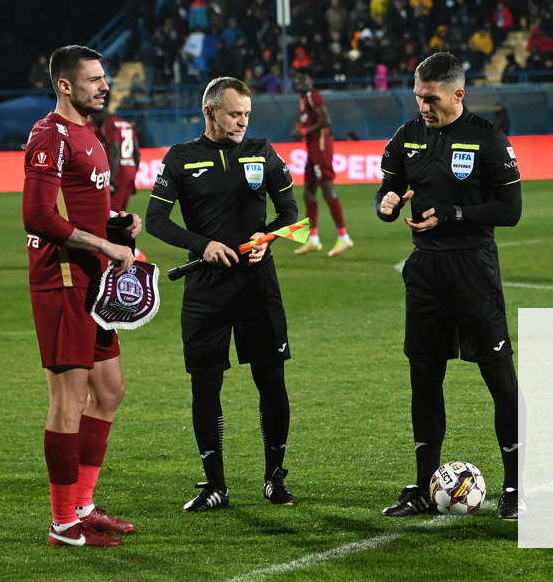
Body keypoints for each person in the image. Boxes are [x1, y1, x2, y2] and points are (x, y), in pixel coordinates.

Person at [375, 52, 523, 520]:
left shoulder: (487, 137)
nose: (423, 106)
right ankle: (422, 484)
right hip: (426, 271)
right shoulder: (407, 136)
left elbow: (510, 209)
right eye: (418, 97)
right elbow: (385, 189)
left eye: (432, 98)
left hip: (473, 269)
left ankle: (516, 485)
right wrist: (387, 203)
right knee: (424, 378)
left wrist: (455, 215)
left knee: (498, 377)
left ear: (459, 94)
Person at [145, 77, 300, 512]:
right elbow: (155, 219)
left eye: (247, 114)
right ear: (210, 112)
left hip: (257, 285)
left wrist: (266, 236)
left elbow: (290, 213)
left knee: (271, 381)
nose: (242, 122)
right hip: (206, 289)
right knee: (206, 385)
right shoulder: (181, 158)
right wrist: (202, 245)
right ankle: (215, 486)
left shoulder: (263, 152)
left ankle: (275, 478)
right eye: (235, 114)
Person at [22, 45, 141, 547]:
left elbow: (84, 208)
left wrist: (117, 223)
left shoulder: (89, 134)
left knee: (109, 391)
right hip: (64, 279)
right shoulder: (50, 134)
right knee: (67, 402)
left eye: (104, 77)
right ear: (66, 85)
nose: (104, 85)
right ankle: (63, 523)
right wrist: (103, 243)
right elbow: (38, 216)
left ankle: (84, 504)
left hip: (93, 280)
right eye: (94, 79)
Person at [290, 71, 354, 257]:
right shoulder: (303, 99)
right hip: (312, 146)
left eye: (303, 81)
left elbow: (326, 120)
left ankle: (343, 237)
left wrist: (304, 130)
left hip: (321, 143)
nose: (300, 84)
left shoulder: (312, 95)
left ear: (309, 82)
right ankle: (313, 239)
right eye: (297, 82)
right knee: (308, 192)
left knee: (327, 186)